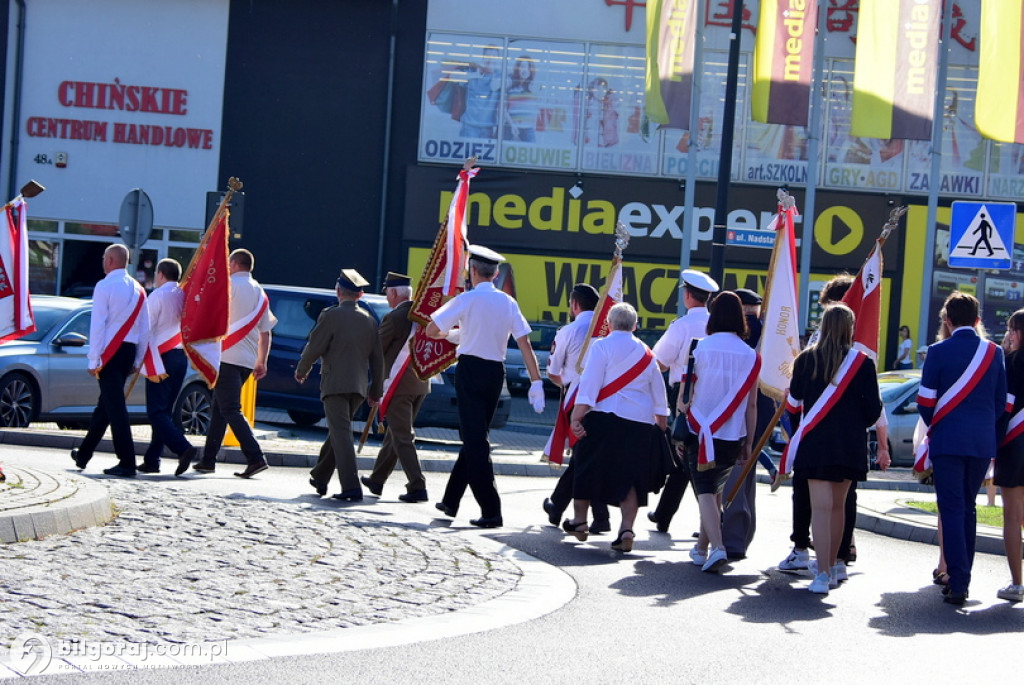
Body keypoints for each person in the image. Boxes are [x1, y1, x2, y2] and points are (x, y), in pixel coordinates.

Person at [426, 245, 545, 528]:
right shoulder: (508, 302)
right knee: (475, 434)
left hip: (470, 370)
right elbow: (525, 342)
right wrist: (536, 381)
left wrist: (453, 334)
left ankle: (491, 510)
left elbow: (432, 329)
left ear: (473, 271)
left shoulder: (466, 299)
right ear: (495, 274)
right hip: (494, 372)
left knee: (476, 439)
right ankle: (451, 500)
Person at [778, 274, 890, 572]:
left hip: (815, 444)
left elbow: (793, 404)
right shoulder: (862, 363)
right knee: (839, 507)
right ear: (850, 329)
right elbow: (873, 410)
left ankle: (822, 572)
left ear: (823, 326)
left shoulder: (805, 360)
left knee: (820, 508)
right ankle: (836, 564)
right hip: (849, 446)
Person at [918, 291, 1007, 605]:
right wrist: (982, 426)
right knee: (968, 507)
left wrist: (938, 423)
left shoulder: (938, 351)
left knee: (953, 508)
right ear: (978, 320)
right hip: (981, 442)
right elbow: (1000, 403)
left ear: (948, 321)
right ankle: (961, 576)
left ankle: (959, 580)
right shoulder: (994, 352)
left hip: (948, 440)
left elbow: (926, 401)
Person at [566, 303, 670, 552]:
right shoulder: (648, 354)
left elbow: (590, 385)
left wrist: (576, 418)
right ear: (635, 325)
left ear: (609, 325)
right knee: (631, 477)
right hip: (639, 423)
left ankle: (580, 522)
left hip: (604, 418)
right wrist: (661, 426)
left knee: (586, 467)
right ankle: (626, 529)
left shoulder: (601, 346)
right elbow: (659, 393)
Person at [683, 292, 760, 572]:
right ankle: (701, 548)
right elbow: (751, 405)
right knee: (715, 491)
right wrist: (749, 442)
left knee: (705, 491)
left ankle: (717, 547)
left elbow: (685, 395)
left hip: (697, 429)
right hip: (732, 433)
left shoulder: (699, 348)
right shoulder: (751, 356)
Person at [296, 269, 385, 501]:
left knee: (341, 432)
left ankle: (351, 486)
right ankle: (320, 476)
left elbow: (314, 346)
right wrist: (376, 391)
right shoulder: (369, 320)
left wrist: (302, 370)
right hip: (358, 387)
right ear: (361, 294)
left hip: (335, 383)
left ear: (338, 291)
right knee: (340, 430)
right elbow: (378, 360)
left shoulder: (330, 315)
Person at [194, 249, 277, 478]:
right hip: (247, 360)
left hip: (227, 356)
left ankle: (256, 457)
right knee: (220, 409)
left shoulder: (228, 286)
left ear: (233, 264)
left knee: (230, 409)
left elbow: (211, 315)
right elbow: (266, 333)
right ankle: (208, 460)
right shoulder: (260, 292)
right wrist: (262, 361)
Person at [648, 269, 720, 533]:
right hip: (713, 394)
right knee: (688, 455)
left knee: (685, 453)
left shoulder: (681, 326)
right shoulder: (717, 324)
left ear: (688, 296)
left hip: (683, 393)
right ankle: (665, 514)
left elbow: (661, 362)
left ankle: (712, 519)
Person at [71, 243, 150, 478]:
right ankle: (84, 454)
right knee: (105, 405)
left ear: (110, 261)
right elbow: (145, 329)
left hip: (109, 353)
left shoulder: (104, 286)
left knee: (115, 408)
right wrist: (138, 358)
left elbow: (98, 325)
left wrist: (93, 358)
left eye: (105, 257)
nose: (103, 261)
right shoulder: (139, 289)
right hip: (127, 352)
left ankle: (127, 461)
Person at [540, 283, 611, 534]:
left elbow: (553, 371)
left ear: (574, 304)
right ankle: (598, 515)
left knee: (583, 458)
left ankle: (560, 506)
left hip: (576, 398)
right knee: (593, 456)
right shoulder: (608, 328)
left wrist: (568, 386)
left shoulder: (568, 330)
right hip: (605, 400)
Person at [361, 272, 430, 503]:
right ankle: (377, 479)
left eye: (387, 294)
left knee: (402, 436)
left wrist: (373, 385)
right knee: (394, 434)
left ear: (393, 293)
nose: (387, 298)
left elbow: (376, 351)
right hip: (420, 384)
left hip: (398, 385)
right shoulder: (422, 315)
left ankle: (417, 485)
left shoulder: (394, 317)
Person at [721, 288, 777, 559]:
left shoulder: (747, 332)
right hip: (766, 407)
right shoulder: (770, 331)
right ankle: (743, 532)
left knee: (734, 476)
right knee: (748, 473)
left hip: (741, 409)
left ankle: (733, 537)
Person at [137, 258, 198, 476]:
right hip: (179, 356)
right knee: (165, 411)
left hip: (160, 357)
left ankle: (183, 448)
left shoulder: (158, 295)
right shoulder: (184, 295)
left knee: (156, 412)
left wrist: (137, 360)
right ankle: (152, 459)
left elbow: (146, 328)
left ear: (161, 275)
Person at [996, 308, 1024, 602]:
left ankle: (1017, 584)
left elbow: (1004, 408)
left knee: (1012, 517)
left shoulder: (1011, 363)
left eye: (1014, 329)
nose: (1010, 334)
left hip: (1015, 444)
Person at [460, 45, 501, 139]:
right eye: (487, 57)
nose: (490, 60)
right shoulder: (473, 72)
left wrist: (491, 73)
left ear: (498, 59)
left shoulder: (500, 75)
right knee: (469, 154)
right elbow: (453, 78)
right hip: (469, 127)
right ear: (483, 58)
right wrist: (475, 75)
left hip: (487, 129)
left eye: (494, 57)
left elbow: (494, 87)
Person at [503, 54, 539, 142]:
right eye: (522, 66)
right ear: (518, 69)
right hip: (510, 128)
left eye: (528, 67)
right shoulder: (510, 87)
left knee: (531, 154)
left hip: (528, 129)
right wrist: (512, 124)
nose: (525, 70)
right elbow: (503, 109)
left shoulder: (534, 87)